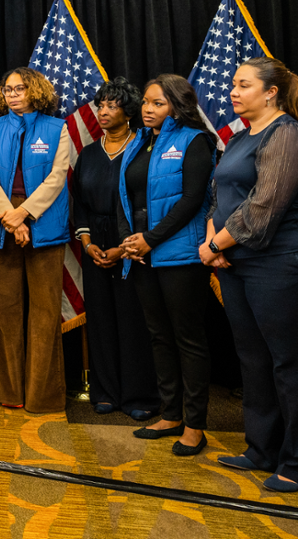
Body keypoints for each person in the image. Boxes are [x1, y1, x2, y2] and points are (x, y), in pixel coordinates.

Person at [200, 57, 298, 492]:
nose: (233, 92)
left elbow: (262, 210)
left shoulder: (289, 134)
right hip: (238, 259)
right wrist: (212, 238)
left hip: (284, 260)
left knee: (288, 362)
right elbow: (220, 192)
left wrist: (215, 246)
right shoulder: (240, 136)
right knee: (253, 358)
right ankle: (261, 448)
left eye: (243, 85)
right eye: (233, 85)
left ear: (271, 91)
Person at [117, 74, 215, 456]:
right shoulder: (139, 143)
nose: (147, 108)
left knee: (188, 340)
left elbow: (192, 200)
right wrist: (131, 241)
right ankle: (170, 414)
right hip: (143, 256)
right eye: (145, 102)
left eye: (157, 103)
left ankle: (195, 425)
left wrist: (151, 239)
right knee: (159, 336)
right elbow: (125, 196)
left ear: (176, 105)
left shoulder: (194, 141)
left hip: (179, 256)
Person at [0, 67, 71, 413]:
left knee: (45, 312)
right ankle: (9, 390)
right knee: (5, 308)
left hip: (43, 223)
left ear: (34, 91)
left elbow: (57, 176)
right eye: (8, 89)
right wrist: (10, 216)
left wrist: (25, 214)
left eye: (20, 88)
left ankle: (41, 396)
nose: (13, 94)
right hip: (1, 223)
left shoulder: (56, 128)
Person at [73, 77, 159, 420]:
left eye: (112, 105)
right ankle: (105, 391)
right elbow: (79, 203)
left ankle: (141, 396)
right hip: (94, 244)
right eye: (101, 105)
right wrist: (89, 243)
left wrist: (124, 249)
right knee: (101, 320)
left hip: (134, 244)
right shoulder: (89, 153)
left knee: (133, 320)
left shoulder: (143, 149)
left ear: (129, 111)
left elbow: (151, 202)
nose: (104, 111)